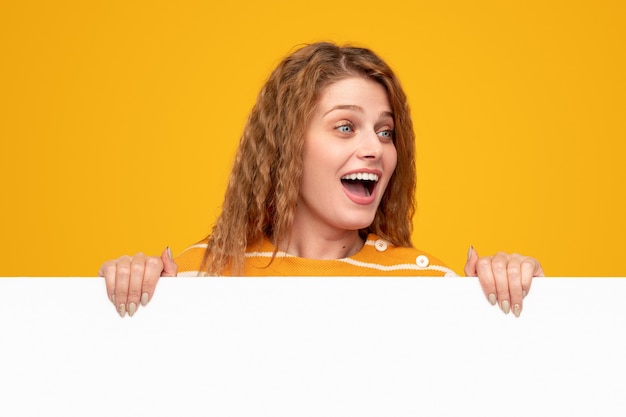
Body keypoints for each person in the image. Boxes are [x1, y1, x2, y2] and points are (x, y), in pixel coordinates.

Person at [99, 42, 544, 319]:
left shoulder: (426, 284)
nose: (375, 148)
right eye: (346, 127)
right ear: (286, 145)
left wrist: (520, 297)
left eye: (385, 132)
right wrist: (127, 293)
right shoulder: (197, 276)